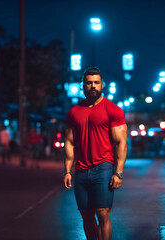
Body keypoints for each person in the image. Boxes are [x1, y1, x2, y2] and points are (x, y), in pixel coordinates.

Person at [64, 67, 127, 240]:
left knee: (103, 213)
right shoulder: (74, 112)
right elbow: (69, 142)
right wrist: (68, 171)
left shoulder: (112, 110)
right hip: (81, 170)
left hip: (104, 167)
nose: (93, 86)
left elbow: (121, 143)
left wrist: (118, 172)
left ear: (102, 85)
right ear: (83, 85)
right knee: (86, 215)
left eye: (96, 83)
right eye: (89, 83)